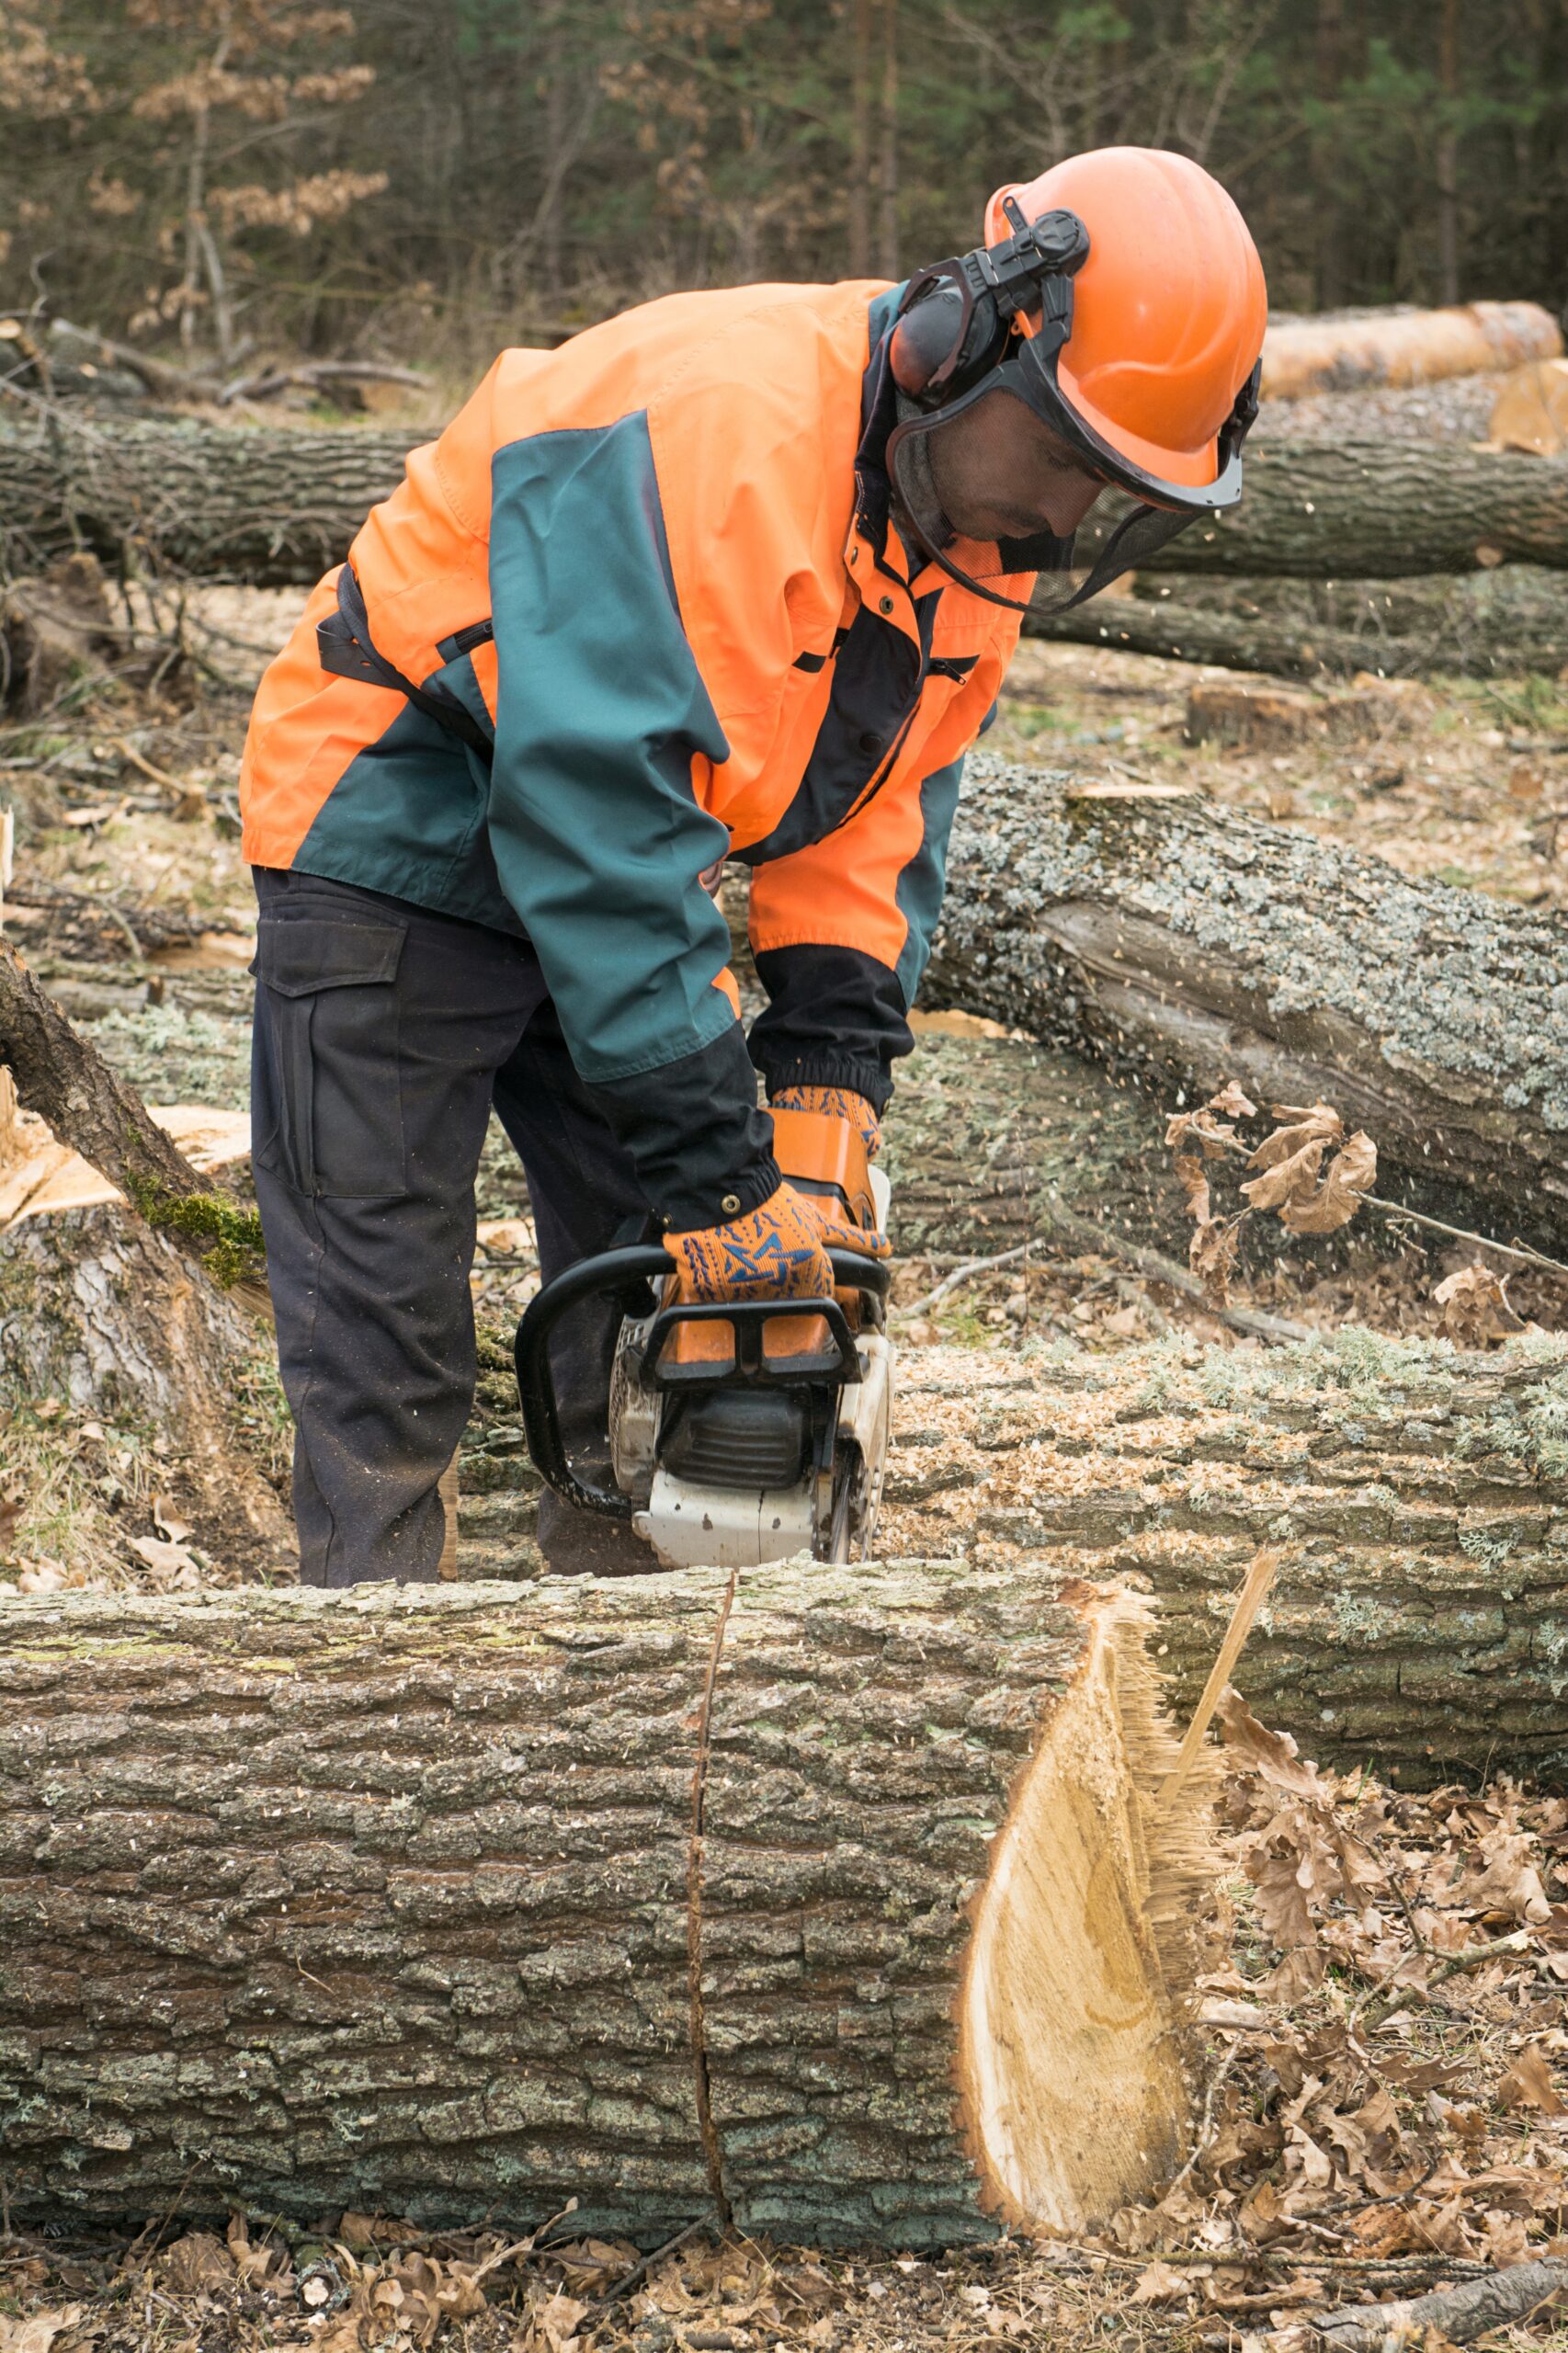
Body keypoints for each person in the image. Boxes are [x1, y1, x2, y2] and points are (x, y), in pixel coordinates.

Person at [240, 143, 1267, 1586]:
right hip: (396, 817)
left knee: (644, 1288)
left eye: (1108, 491)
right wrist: (725, 1182)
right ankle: (364, 1676)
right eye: (1062, 461)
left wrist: (825, 1083)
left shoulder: (961, 536)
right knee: (384, 1316)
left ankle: (639, 1663)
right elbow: (594, 817)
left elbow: (872, 809)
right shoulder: (722, 434)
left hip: (616, 868)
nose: (1064, 521)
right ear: (963, 347)